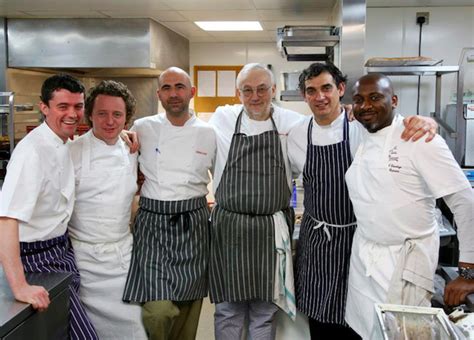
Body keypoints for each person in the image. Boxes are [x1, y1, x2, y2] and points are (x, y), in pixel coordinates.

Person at [287, 63, 438, 340]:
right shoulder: (296, 134)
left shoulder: (361, 126)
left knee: (357, 318)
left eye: (326, 88)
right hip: (316, 241)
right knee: (319, 319)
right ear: (303, 96)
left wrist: (426, 121)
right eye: (311, 91)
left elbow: (396, 126)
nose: (319, 96)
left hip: (357, 239)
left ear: (340, 90)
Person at [344, 73, 474, 339]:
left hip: (404, 262)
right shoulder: (360, 131)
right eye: (358, 100)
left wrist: (468, 271)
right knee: (366, 331)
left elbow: (465, 202)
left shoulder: (420, 139)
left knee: (402, 334)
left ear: (394, 101)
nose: (365, 105)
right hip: (365, 257)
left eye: (375, 98)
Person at [0, 74, 98, 339]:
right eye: (62, 107)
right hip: (34, 260)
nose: (72, 114)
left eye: (78, 106)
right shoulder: (31, 152)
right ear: (44, 107)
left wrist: (121, 132)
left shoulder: (62, 142)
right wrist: (20, 286)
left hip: (60, 252)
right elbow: (6, 219)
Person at [209, 63, 301, 340]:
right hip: (229, 230)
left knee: (264, 312)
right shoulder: (223, 118)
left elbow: (325, 130)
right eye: (247, 90)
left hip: (269, 232)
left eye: (262, 89)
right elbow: (184, 133)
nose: (255, 96)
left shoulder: (292, 123)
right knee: (228, 310)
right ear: (238, 94)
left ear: (274, 90)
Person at [123, 67, 216, 340]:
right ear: (159, 95)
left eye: (179, 87)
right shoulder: (142, 127)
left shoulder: (208, 133)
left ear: (192, 92)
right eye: (167, 88)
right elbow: (119, 156)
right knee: (158, 311)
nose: (173, 93)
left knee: (189, 307)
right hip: (153, 222)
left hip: (194, 221)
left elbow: (223, 177)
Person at [68, 80, 147, 339]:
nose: (110, 121)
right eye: (102, 113)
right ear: (89, 114)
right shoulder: (71, 152)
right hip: (85, 260)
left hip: (122, 256)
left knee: (134, 327)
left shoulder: (130, 148)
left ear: (127, 119)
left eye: (117, 115)